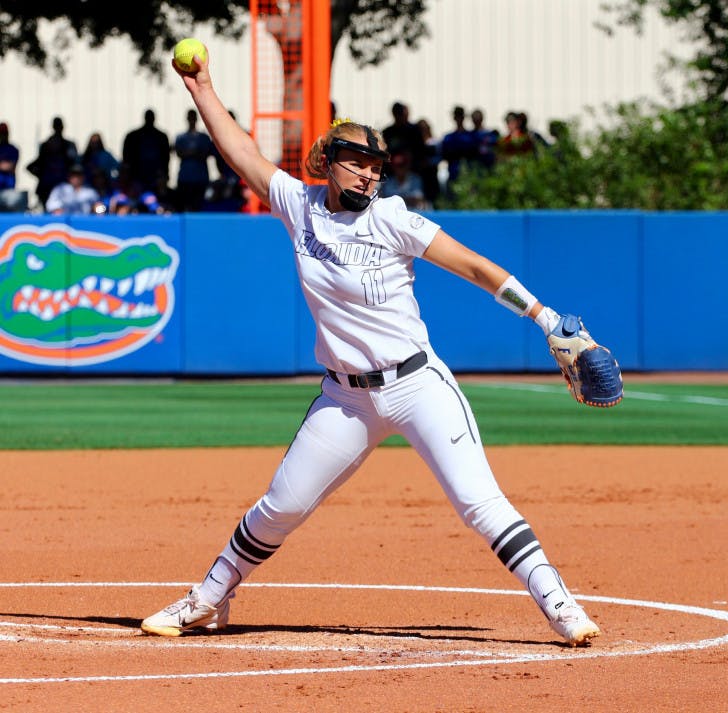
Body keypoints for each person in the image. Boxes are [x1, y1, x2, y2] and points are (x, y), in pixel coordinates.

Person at [140, 46, 601, 648]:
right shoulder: (298, 206)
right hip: (345, 399)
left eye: (376, 166)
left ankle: (561, 607)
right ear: (327, 162)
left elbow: (476, 269)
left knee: (480, 504)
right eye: (356, 162)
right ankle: (206, 600)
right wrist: (201, 88)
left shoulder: (393, 218)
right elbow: (243, 154)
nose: (368, 174)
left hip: (416, 385)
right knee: (281, 506)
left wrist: (544, 318)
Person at [26, 116, 78, 208]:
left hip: (63, 186)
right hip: (47, 187)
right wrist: (41, 175)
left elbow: (74, 164)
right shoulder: (46, 146)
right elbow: (32, 166)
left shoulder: (68, 145)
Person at [121, 109, 171, 194]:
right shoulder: (133, 136)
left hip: (155, 176)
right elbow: (126, 156)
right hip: (138, 175)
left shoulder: (161, 137)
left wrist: (164, 174)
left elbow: (166, 157)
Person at [174, 109, 214, 212]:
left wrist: (189, 152)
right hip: (185, 178)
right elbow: (179, 153)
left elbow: (205, 154)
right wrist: (195, 152)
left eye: (193, 118)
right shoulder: (181, 137)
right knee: (185, 206)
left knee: (200, 206)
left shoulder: (204, 137)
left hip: (200, 178)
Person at [0, 121, 26, 212]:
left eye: (4, 133)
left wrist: (4, 165)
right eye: (1, 134)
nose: (3, 136)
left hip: (8, 190)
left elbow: (10, 167)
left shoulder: (13, 149)